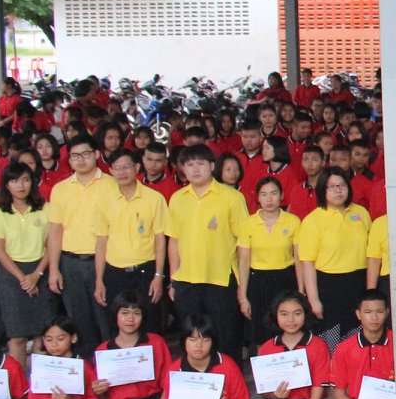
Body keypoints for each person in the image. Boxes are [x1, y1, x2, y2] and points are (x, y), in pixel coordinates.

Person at [165, 146, 251, 361]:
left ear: (212, 166)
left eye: (201, 163)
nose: (195, 169)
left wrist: (242, 285)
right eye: (190, 164)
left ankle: (229, 380)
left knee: (226, 338)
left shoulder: (232, 197)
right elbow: (173, 240)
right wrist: (174, 278)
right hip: (186, 280)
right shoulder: (177, 198)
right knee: (192, 339)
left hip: (221, 279)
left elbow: (243, 244)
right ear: (182, 169)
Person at [46, 137, 114, 349]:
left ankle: (110, 363)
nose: (81, 159)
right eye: (75, 156)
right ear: (69, 160)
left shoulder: (112, 185)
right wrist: (54, 269)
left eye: (85, 154)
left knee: (107, 319)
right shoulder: (60, 189)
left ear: (96, 154)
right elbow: (56, 231)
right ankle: (86, 364)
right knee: (79, 320)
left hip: (105, 261)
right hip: (71, 263)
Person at [94, 151, 167, 339]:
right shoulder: (104, 200)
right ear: (110, 171)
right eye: (116, 168)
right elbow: (101, 241)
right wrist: (99, 280)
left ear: (137, 167)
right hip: (114, 272)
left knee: (150, 323)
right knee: (117, 325)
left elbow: (160, 239)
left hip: (146, 271)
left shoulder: (154, 198)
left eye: (127, 166)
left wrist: (159, 276)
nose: (122, 172)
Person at [0, 162, 54, 361]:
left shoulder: (45, 208)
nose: (21, 185)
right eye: (14, 181)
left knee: (45, 333)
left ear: (32, 182)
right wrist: (23, 279)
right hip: (11, 275)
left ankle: (43, 380)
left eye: (25, 180)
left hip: (41, 271)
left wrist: (37, 274)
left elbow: (52, 245)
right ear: (6, 185)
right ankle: (18, 380)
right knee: (17, 336)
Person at [296, 169, 371, 342]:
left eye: (342, 185)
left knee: (358, 336)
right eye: (332, 186)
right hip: (328, 286)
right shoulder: (313, 220)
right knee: (332, 339)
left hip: (358, 282)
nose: (338, 190)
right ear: (323, 190)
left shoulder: (361, 213)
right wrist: (313, 299)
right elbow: (307, 263)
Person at [91, 292, 169, 399]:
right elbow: (104, 397)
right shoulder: (104, 350)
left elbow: (168, 387)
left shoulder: (155, 343)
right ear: (116, 315)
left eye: (136, 313)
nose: (130, 319)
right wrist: (99, 391)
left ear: (143, 316)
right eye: (124, 313)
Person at [253, 292, 329, 399]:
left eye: (297, 313)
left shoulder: (318, 346)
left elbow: (317, 396)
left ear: (305, 314)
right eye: (284, 314)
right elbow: (264, 393)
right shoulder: (267, 347)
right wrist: (274, 396)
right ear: (275, 316)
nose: (291, 320)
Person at [236, 177, 302, 347]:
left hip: (286, 280)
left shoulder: (293, 221)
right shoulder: (248, 224)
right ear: (258, 197)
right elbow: (243, 261)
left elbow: (298, 259)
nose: (269, 199)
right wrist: (243, 296)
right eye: (264, 194)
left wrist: (301, 291)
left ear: (282, 195)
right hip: (258, 281)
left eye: (273, 193)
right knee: (261, 332)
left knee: (288, 328)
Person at [165, 314, 250, 399]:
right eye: (192, 339)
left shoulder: (227, 365)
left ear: (212, 342)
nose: (199, 345)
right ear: (183, 341)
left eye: (205, 340)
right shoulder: (175, 370)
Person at [328, 290, 396, 399]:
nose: (374, 317)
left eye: (379, 311)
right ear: (358, 314)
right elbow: (339, 395)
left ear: (387, 313)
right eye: (368, 312)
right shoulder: (344, 348)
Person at [25, 317, 98, 399]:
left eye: (60, 339)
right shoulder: (40, 368)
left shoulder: (84, 367)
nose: (54, 344)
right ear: (43, 340)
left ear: (73, 338)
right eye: (49, 340)